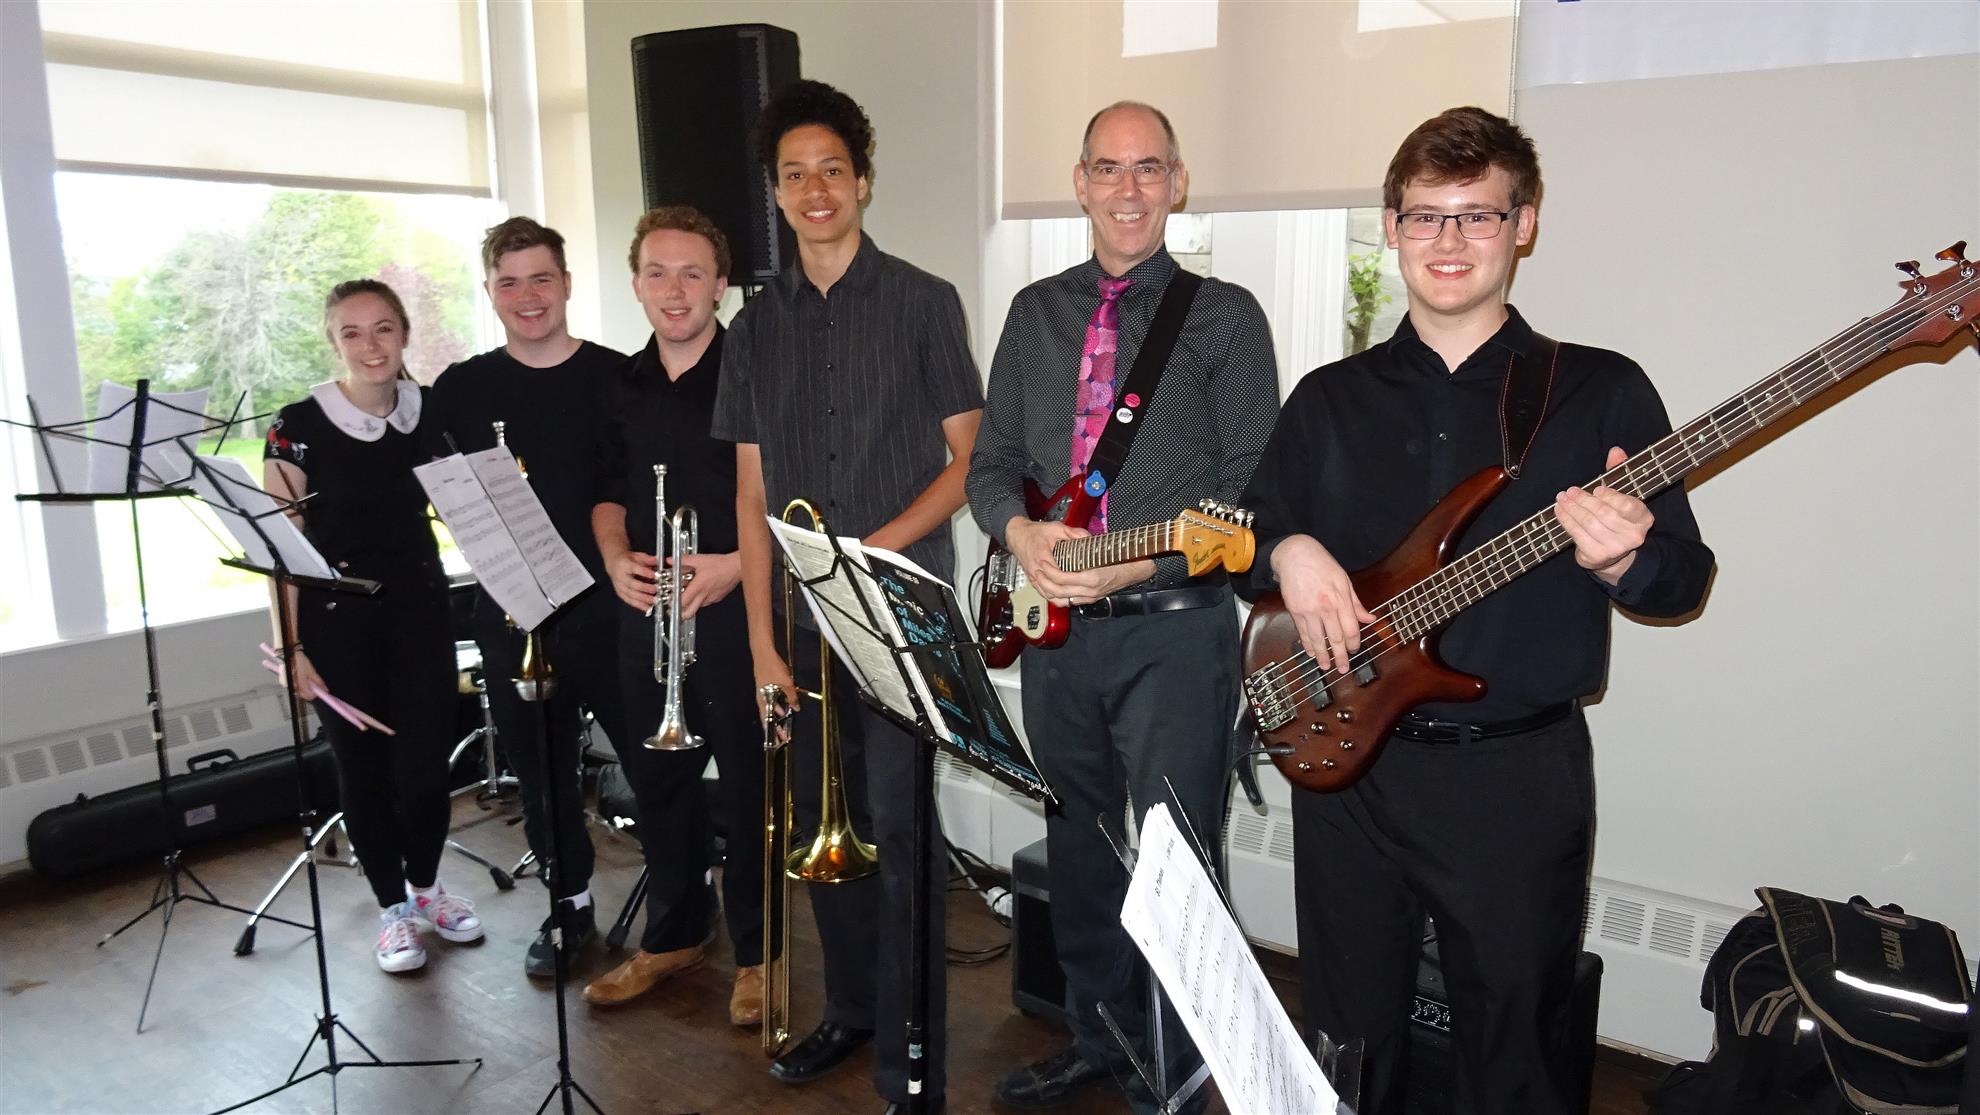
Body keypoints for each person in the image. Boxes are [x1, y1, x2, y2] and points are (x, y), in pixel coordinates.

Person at [1237, 107, 1714, 1114]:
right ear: (1391, 227)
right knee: (1345, 1044)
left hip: (1514, 778)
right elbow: (1251, 534)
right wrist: (1290, 548)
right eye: (1425, 216)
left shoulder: (1601, 390)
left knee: (1515, 1054)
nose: (1448, 240)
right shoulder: (1327, 397)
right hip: (1349, 769)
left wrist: (1627, 559)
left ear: (1523, 224)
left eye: (1478, 215)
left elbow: (1684, 577)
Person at [965, 101, 1280, 1113]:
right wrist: (1021, 535)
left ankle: (1180, 1073)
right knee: (1081, 851)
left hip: (1175, 636)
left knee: (1180, 865)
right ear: (1081, 181)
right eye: (1109, 168)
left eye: (1150, 168)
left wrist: (1129, 566)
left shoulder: (1226, 317)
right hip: (1056, 635)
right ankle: (1100, 1039)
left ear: (1178, 184)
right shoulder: (1034, 312)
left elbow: (1249, 490)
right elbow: (991, 466)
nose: (1129, 188)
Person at [712, 79, 984, 1115]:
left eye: (832, 169)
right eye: (794, 175)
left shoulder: (924, 300)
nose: (815, 189)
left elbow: (970, 460)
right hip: (799, 621)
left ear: (863, 181)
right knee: (826, 829)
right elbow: (748, 496)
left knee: (901, 835)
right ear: (776, 193)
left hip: (897, 610)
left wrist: (870, 550)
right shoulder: (753, 327)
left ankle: (912, 1056)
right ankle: (855, 1007)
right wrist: (761, 646)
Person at [423, 217, 629, 978]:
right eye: (508, 282)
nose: (527, 295)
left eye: (541, 278)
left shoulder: (619, 377)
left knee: (653, 761)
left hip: (612, 609)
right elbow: (439, 491)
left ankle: (684, 902)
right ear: (490, 293)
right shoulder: (460, 389)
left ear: (567, 284)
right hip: (512, 613)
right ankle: (569, 904)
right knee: (541, 776)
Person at [263, 279, 484, 973]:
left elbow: (466, 507)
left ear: (404, 333)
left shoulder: (433, 412)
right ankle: (392, 909)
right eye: (352, 332)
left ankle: (427, 889)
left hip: (421, 611)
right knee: (363, 773)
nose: (370, 345)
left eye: (383, 328)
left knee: (425, 767)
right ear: (333, 341)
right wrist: (293, 648)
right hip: (338, 625)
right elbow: (280, 551)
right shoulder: (297, 425)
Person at [584, 205, 765, 1024]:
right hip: (646, 614)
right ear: (636, 285)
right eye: (657, 272)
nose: (674, 289)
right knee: (660, 783)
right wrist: (614, 555)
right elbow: (606, 493)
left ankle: (760, 953)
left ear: (720, 285)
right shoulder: (619, 384)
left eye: (693, 272)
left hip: (734, 613)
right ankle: (675, 934)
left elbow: (791, 494)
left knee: (751, 786)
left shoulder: (754, 374)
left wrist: (736, 565)